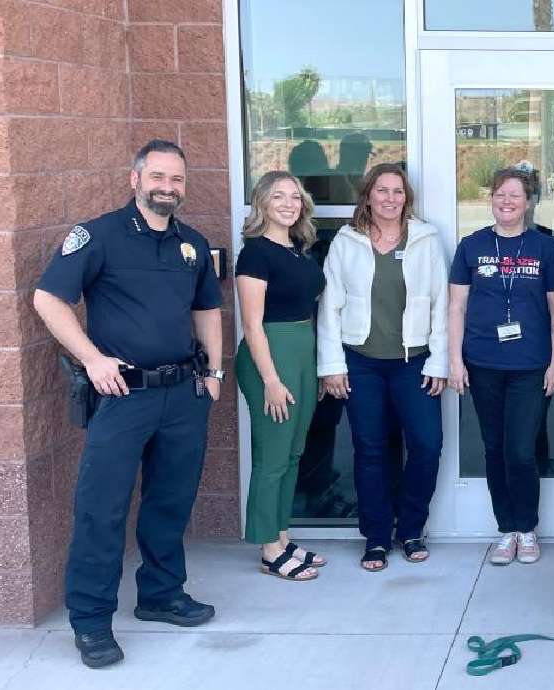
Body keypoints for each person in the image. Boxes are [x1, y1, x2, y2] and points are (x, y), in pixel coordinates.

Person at [32, 140, 223, 668]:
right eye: (158, 176)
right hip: (122, 396)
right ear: (134, 179)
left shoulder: (192, 243)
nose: (168, 187)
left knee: (170, 501)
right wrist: (93, 359)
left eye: (176, 179)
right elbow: (48, 298)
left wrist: (215, 373)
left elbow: (208, 308)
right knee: (102, 509)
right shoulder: (99, 236)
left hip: (183, 393)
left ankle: (161, 594)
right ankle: (91, 622)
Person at [317, 163, 449, 572]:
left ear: (406, 198)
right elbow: (330, 306)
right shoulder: (347, 241)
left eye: (398, 191)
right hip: (361, 363)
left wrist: (440, 360)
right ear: (368, 196)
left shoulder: (425, 239)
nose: (390, 199)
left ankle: (410, 528)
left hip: (415, 363)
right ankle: (376, 536)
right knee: (370, 449)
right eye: (382, 190)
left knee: (426, 445)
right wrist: (332, 365)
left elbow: (441, 304)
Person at [448, 168, 554, 566]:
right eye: (501, 194)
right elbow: (456, 306)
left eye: (516, 195)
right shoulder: (471, 246)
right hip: (483, 363)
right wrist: (455, 359)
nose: (507, 201)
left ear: (529, 202)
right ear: (491, 199)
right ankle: (507, 529)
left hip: (531, 364)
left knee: (520, 450)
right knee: (494, 448)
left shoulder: (546, 247)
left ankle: (527, 527)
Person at [235, 171, 327, 581]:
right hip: (271, 356)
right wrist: (271, 380)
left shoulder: (298, 250)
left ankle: (283, 535)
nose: (289, 204)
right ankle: (269, 548)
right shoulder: (255, 254)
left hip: (302, 351)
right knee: (273, 456)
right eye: (278, 197)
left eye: (295, 196)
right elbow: (252, 325)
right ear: (262, 203)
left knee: (293, 452)